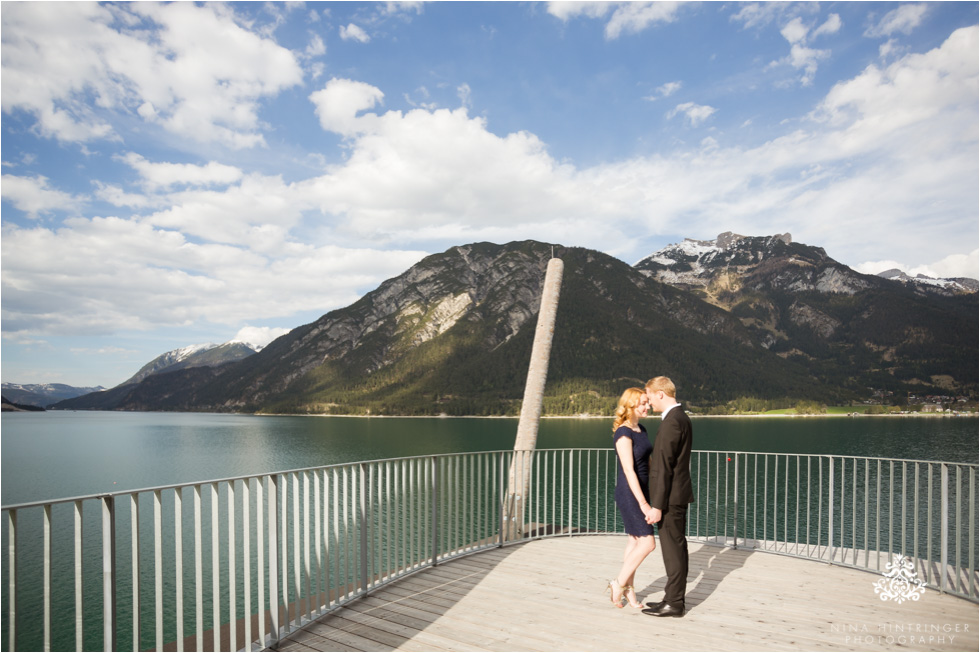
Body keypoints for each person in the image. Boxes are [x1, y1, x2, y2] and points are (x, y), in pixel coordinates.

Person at [642, 376, 694, 617]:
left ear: (660, 394)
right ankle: (672, 597)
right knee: (677, 548)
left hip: (670, 499)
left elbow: (664, 467)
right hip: (677, 495)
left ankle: (674, 603)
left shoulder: (672, 421)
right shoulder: (680, 417)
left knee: (673, 551)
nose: (649, 401)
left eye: (650, 396)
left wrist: (657, 506)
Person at [605, 387, 657, 609]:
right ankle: (617, 583)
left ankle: (629, 591)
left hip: (642, 490)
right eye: (643, 403)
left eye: (647, 402)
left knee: (634, 541)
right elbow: (629, 470)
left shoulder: (641, 429)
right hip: (630, 492)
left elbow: (646, 462)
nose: (647, 406)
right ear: (631, 405)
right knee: (648, 543)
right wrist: (644, 504)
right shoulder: (623, 433)